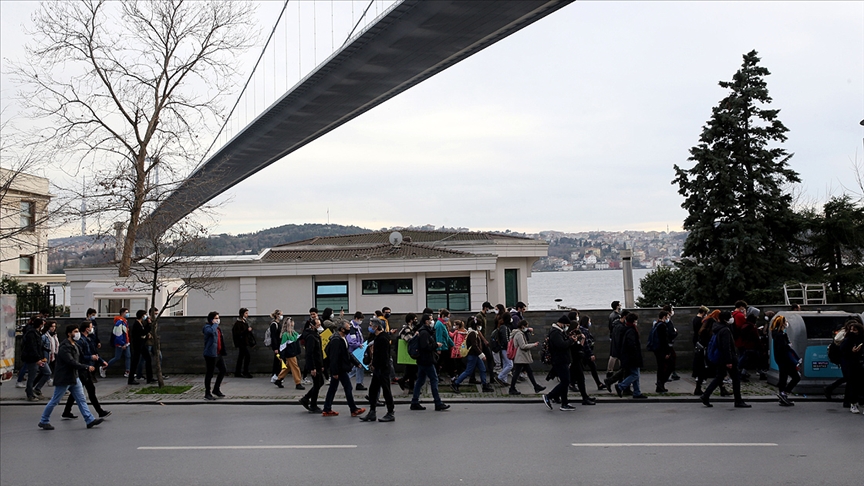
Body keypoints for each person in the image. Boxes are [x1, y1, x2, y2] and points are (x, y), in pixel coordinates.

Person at [37, 323, 104, 430]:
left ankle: (89, 419)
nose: (77, 334)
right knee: (55, 400)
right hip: (65, 378)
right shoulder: (64, 347)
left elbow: (83, 357)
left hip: (74, 376)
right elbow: (71, 362)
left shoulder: (76, 345)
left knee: (81, 399)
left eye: (77, 331)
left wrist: (98, 360)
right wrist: (86, 367)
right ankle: (44, 420)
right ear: (69, 334)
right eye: (75, 332)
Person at [700, 311, 750, 408]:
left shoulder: (718, 328)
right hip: (727, 359)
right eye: (730, 317)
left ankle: (706, 395)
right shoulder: (725, 330)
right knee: (735, 379)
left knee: (719, 377)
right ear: (726, 319)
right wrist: (729, 361)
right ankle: (738, 400)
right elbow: (726, 347)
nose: (732, 318)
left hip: (720, 358)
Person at [62, 320, 110, 419]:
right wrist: (90, 359)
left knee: (76, 391)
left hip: (86, 367)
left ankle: (67, 411)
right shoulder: (81, 341)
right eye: (91, 326)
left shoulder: (88, 339)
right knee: (90, 389)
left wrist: (101, 360)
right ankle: (99, 411)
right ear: (87, 328)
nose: (92, 328)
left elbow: (93, 352)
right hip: (83, 368)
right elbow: (80, 356)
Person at [321, 321, 366, 417]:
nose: (349, 328)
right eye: (347, 327)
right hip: (339, 369)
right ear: (342, 329)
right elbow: (334, 357)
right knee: (348, 387)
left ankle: (327, 408)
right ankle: (353, 409)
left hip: (340, 368)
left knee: (333, 388)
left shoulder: (342, 338)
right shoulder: (336, 340)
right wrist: (335, 372)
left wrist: (356, 363)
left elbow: (347, 354)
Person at [410, 314, 450, 412]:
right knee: (434, 379)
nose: (433, 322)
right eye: (431, 320)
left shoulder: (424, 331)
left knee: (420, 381)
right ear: (426, 321)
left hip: (422, 360)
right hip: (426, 360)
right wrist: (436, 345)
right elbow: (425, 346)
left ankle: (414, 402)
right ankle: (438, 402)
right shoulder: (424, 332)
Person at [359, 318, 396, 422]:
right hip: (378, 368)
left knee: (386, 390)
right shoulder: (378, 337)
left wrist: (376, 365)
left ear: (376, 327)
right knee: (373, 390)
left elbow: (384, 356)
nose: (369, 327)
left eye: (371, 325)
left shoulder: (382, 338)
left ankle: (390, 412)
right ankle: (372, 411)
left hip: (382, 369)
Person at [542, 315, 577, 411]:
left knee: (564, 382)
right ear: (561, 324)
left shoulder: (559, 332)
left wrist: (570, 340)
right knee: (565, 381)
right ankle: (549, 396)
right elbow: (561, 345)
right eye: (566, 325)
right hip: (559, 360)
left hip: (562, 359)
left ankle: (564, 403)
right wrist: (570, 340)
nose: (566, 327)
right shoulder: (555, 333)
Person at [450, 326, 494, 393]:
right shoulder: (472, 333)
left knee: (483, 369)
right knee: (468, 371)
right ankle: (456, 383)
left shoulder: (473, 333)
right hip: (473, 355)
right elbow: (474, 345)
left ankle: (484, 385)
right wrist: (481, 354)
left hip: (476, 355)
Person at [507, 319, 545, 395]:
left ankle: (535, 386)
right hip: (521, 356)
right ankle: (512, 388)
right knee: (518, 373)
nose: (527, 328)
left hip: (521, 356)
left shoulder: (518, 333)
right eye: (526, 326)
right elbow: (523, 346)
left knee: (526, 371)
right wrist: (533, 345)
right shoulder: (519, 334)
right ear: (522, 326)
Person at [614, 313, 647, 399]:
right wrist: (636, 355)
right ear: (634, 321)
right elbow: (632, 345)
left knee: (636, 374)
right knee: (635, 374)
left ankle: (637, 392)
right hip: (632, 357)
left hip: (628, 356)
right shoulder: (631, 331)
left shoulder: (626, 329)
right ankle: (621, 386)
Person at [769, 315, 800, 406]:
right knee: (795, 377)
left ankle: (783, 394)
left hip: (781, 359)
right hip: (785, 360)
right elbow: (783, 348)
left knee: (783, 377)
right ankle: (784, 393)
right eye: (785, 321)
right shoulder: (780, 335)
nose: (787, 323)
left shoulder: (777, 334)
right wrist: (788, 346)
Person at [566, 322, 597, 405]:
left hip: (577, 360)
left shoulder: (574, 335)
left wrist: (582, 339)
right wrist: (574, 339)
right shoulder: (570, 336)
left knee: (578, 379)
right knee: (577, 379)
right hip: (574, 361)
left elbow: (580, 347)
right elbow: (574, 347)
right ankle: (584, 398)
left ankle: (585, 397)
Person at [299, 319, 325, 413]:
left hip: (318, 364)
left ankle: (306, 399)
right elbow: (309, 353)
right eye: (318, 325)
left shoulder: (316, 335)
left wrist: (321, 364)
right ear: (312, 326)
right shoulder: (310, 337)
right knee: (318, 383)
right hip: (314, 365)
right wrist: (312, 368)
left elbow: (319, 352)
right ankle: (312, 404)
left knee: (320, 382)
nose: (319, 326)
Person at [21, 318, 50, 401]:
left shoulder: (37, 333)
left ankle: (36, 388)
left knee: (47, 372)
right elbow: (32, 347)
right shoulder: (31, 333)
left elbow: (38, 346)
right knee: (32, 376)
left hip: (39, 357)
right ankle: (30, 394)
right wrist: (38, 358)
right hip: (33, 359)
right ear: (40, 325)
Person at [202, 311, 227, 400]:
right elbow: (211, 332)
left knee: (223, 370)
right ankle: (207, 393)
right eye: (216, 318)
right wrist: (215, 324)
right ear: (211, 319)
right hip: (210, 354)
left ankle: (216, 389)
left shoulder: (217, 328)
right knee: (210, 373)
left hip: (218, 353)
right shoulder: (207, 327)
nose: (218, 320)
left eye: (218, 318)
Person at [840, 320, 863, 413]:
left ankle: (855, 402)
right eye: (851, 330)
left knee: (858, 385)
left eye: (855, 330)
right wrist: (852, 352)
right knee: (852, 384)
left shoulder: (861, 339)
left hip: (859, 363)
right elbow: (842, 351)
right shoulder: (848, 339)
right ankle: (853, 403)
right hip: (851, 364)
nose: (852, 332)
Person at [275, 317, 304, 390]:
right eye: (292, 323)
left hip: (291, 353)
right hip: (290, 354)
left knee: (288, 367)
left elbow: (299, 337)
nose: (293, 324)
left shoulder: (293, 333)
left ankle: (279, 379)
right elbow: (282, 346)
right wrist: (282, 356)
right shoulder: (286, 334)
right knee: (295, 368)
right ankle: (298, 383)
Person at [578, 315, 606, 391]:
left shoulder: (582, 330)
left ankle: (599, 383)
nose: (590, 323)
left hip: (585, 353)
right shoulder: (584, 331)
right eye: (589, 321)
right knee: (584, 369)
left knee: (591, 368)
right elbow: (586, 344)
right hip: (586, 354)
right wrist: (591, 354)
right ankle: (572, 382)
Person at [128, 310, 154, 385]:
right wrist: (149, 325)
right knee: (135, 362)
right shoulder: (136, 324)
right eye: (144, 315)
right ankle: (131, 379)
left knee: (148, 359)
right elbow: (142, 332)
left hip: (141, 344)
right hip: (137, 345)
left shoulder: (140, 323)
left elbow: (143, 331)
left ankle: (150, 377)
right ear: (142, 316)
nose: (146, 316)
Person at [103, 308, 131, 378]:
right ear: (122, 313)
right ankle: (104, 367)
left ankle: (128, 371)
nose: (127, 314)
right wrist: (122, 344)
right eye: (126, 312)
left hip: (126, 342)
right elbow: (118, 334)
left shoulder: (124, 321)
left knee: (128, 356)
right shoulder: (119, 322)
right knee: (117, 357)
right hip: (121, 343)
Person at [395, 313, 419, 392]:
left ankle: (406, 384)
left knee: (411, 370)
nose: (416, 320)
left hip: (410, 352)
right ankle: (410, 387)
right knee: (411, 370)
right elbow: (410, 340)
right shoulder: (406, 329)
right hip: (408, 353)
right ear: (411, 320)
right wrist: (416, 336)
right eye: (415, 319)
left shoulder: (412, 328)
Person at [652, 310, 673, 393]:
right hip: (662, 350)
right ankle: (660, 384)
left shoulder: (656, 324)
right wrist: (667, 352)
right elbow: (664, 340)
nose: (668, 319)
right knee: (667, 367)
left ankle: (660, 385)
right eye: (667, 317)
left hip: (657, 349)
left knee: (661, 368)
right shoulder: (662, 326)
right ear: (664, 317)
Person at [232, 308, 255, 378]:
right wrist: (247, 330)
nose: (247, 315)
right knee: (247, 356)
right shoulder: (238, 323)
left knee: (241, 357)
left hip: (244, 342)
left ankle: (238, 372)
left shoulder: (244, 322)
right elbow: (238, 333)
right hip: (241, 343)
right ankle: (245, 372)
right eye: (246, 313)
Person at [433, 309, 455, 382]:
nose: (448, 318)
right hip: (442, 347)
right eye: (447, 317)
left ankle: (437, 376)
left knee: (442, 362)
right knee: (446, 362)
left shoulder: (442, 324)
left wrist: (452, 344)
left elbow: (447, 336)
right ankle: (452, 376)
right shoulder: (439, 324)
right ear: (443, 316)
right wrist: (438, 348)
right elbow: (438, 336)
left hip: (444, 346)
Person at [491, 314, 512, 386]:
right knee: (510, 365)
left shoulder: (502, 327)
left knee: (506, 364)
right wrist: (508, 347)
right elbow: (505, 338)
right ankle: (500, 377)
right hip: (505, 348)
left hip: (503, 348)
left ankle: (504, 380)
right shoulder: (504, 327)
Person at [661, 304, 680, 381]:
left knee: (670, 359)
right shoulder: (667, 322)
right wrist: (675, 332)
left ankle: (671, 374)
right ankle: (666, 376)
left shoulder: (665, 321)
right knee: (671, 359)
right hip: (668, 344)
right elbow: (671, 333)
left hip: (668, 344)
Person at [268, 310, 283, 383]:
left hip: (279, 345)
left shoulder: (278, 323)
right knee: (277, 361)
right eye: (281, 314)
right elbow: (273, 336)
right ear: (277, 315)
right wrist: (275, 347)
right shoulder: (274, 324)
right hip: (277, 345)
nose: (281, 316)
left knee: (278, 360)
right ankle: (275, 375)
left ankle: (277, 375)